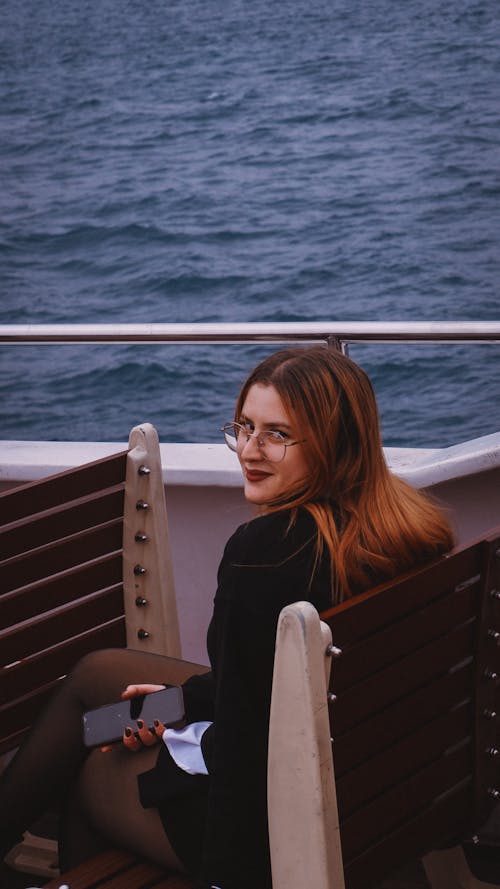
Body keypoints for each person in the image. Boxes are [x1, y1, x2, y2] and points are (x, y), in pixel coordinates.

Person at [0, 345, 455, 889]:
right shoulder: (406, 527)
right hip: (375, 793)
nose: (249, 450)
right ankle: (107, 730)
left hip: (278, 831)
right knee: (100, 685)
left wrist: (181, 749)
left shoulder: (266, 553)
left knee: (96, 764)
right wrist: (178, 708)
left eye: (277, 435)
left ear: (333, 443)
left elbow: (241, 753)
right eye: (243, 427)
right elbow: (267, 678)